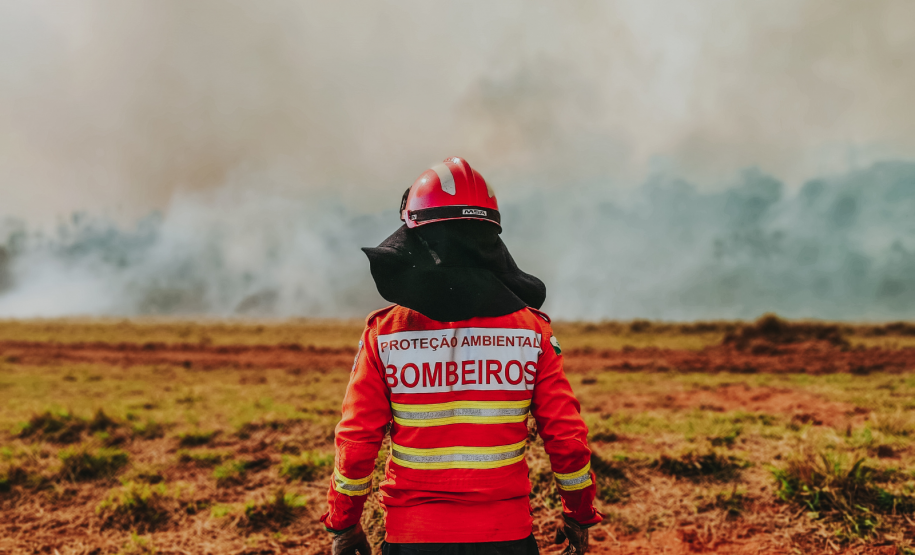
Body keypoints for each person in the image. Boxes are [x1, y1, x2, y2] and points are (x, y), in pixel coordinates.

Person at [321, 157, 602, 555]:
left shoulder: (384, 333)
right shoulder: (532, 331)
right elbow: (566, 438)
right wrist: (579, 512)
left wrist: (343, 524)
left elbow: (355, 443)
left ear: (413, 236)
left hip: (412, 539)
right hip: (507, 538)